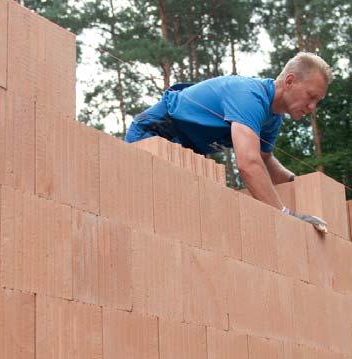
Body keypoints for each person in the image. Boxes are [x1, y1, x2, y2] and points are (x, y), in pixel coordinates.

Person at [125, 52, 332, 231]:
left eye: (317, 102)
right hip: (155, 131)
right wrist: (284, 214)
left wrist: (301, 185)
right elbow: (249, 164)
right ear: (289, 81)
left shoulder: (272, 118)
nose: (312, 107)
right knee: (159, 214)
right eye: (310, 96)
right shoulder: (250, 97)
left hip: (186, 150)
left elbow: (264, 159)